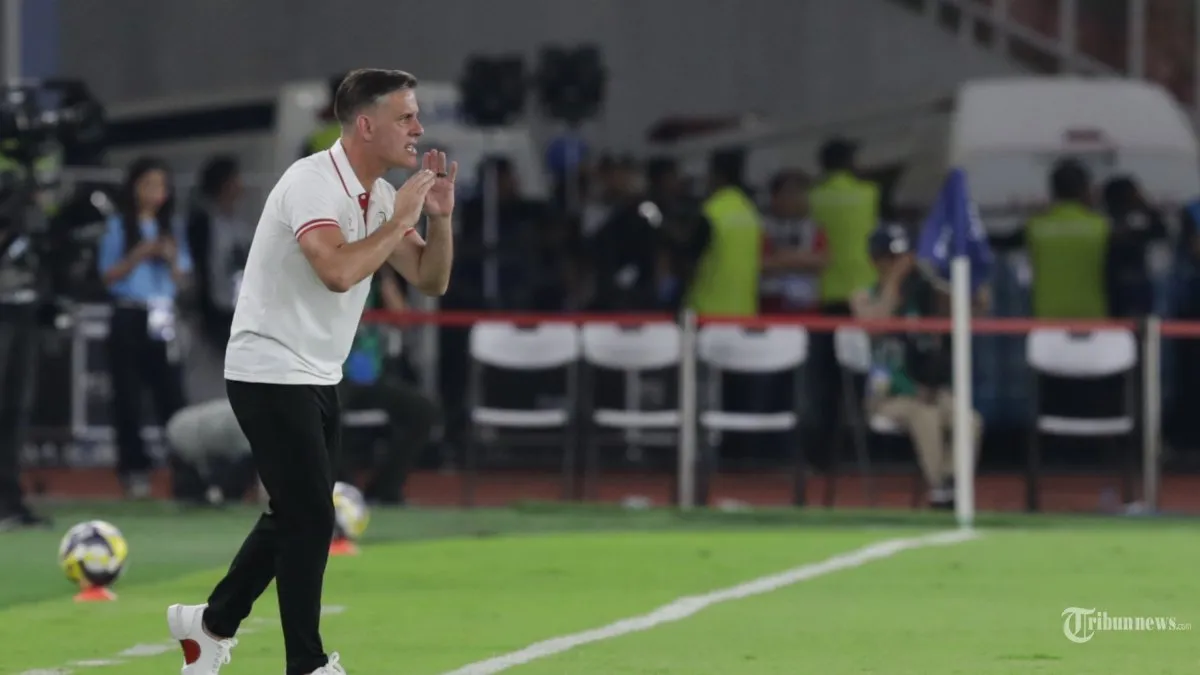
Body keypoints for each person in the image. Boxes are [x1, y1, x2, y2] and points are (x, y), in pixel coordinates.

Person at [166, 68, 455, 675]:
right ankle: (306, 663)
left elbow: (431, 280)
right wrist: (399, 221)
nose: (418, 128)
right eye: (406, 117)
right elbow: (338, 272)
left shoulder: (380, 196)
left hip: (318, 372)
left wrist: (440, 220)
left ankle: (210, 625)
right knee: (311, 516)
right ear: (366, 125)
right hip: (268, 365)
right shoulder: (311, 182)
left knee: (295, 514)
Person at [850, 225, 983, 509]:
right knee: (925, 416)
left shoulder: (924, 294)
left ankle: (950, 483)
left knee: (968, 419)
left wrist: (945, 280)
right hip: (887, 396)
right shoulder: (864, 295)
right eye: (891, 259)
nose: (900, 264)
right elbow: (876, 326)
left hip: (929, 388)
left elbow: (974, 307)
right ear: (876, 260)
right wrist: (895, 280)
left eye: (903, 258)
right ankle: (939, 487)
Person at [96, 157, 193, 500]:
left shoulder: (172, 228)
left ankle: (185, 470)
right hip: (129, 313)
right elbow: (107, 276)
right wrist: (137, 254)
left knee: (172, 395)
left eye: (161, 186)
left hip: (162, 315)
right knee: (128, 396)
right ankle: (134, 469)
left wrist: (170, 256)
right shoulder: (118, 226)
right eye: (148, 185)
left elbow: (183, 277)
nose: (155, 193)